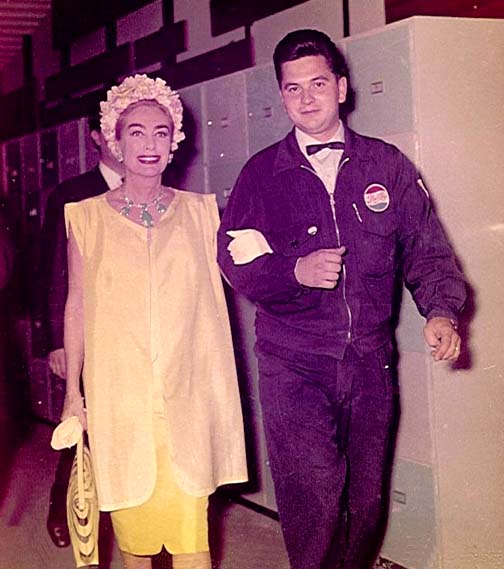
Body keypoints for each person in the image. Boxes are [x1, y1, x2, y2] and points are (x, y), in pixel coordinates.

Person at [217, 29, 466, 569]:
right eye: (292, 89)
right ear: (281, 97)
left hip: (369, 361)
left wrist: (441, 310)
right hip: (293, 361)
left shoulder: (387, 166)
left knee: (366, 500)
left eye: (318, 84)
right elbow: (234, 258)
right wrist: (293, 271)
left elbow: (427, 248)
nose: (306, 99)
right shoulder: (261, 175)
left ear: (343, 87)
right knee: (314, 494)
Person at [61, 74, 247, 569]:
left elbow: (244, 277)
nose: (149, 145)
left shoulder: (202, 213)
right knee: (134, 538)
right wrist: (72, 396)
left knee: (192, 534)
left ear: (174, 142)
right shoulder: (85, 217)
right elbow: (76, 302)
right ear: (115, 142)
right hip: (120, 400)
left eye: (161, 133)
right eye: (136, 133)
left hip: (186, 397)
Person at [41, 110, 124, 548]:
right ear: (96, 137)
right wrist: (56, 342)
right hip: (85, 333)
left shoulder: (146, 193)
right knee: (81, 426)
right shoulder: (72, 195)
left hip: (129, 332)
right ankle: (63, 503)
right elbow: (54, 271)